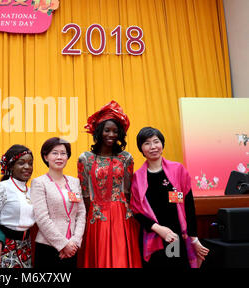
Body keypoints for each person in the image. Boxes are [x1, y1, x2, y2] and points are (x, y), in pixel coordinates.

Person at [130, 127, 209, 268]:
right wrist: (159, 229)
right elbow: (136, 212)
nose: (153, 147)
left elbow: (188, 205)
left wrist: (194, 239)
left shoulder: (178, 170)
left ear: (162, 144)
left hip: (175, 237)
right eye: (147, 143)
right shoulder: (137, 178)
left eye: (156, 141)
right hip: (152, 236)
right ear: (141, 148)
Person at [78, 100, 141, 267]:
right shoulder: (85, 159)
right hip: (96, 215)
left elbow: (127, 191)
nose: (111, 135)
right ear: (99, 132)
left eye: (115, 131)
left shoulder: (126, 158)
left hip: (122, 215)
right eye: (107, 130)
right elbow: (85, 192)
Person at [30, 137, 86, 268]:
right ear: (45, 157)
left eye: (63, 153)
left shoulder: (74, 182)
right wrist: (63, 244)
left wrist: (75, 242)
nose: (59, 157)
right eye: (54, 153)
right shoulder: (39, 183)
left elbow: (81, 213)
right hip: (48, 246)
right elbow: (42, 218)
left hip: (72, 248)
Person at [0, 144, 35, 268]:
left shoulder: (31, 190)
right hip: (4, 245)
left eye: (30, 163)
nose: (27, 167)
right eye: (21, 163)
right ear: (11, 166)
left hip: (26, 246)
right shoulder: (2, 188)